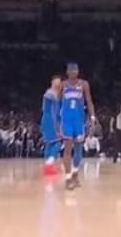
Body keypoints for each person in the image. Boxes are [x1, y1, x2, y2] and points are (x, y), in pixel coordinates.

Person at [61, 62, 95, 190]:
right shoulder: (63, 85)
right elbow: (56, 103)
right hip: (66, 120)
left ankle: (75, 172)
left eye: (75, 70)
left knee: (79, 150)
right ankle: (68, 178)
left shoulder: (84, 84)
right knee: (67, 148)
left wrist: (92, 118)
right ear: (67, 72)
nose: (73, 72)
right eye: (71, 70)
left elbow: (89, 101)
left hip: (79, 120)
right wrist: (55, 120)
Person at [41, 75, 62, 175]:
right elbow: (51, 110)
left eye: (59, 82)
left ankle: (48, 166)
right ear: (52, 82)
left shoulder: (56, 94)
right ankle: (49, 163)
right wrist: (56, 125)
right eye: (56, 82)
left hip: (49, 118)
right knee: (58, 142)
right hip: (50, 119)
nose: (58, 83)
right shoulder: (50, 93)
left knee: (50, 143)